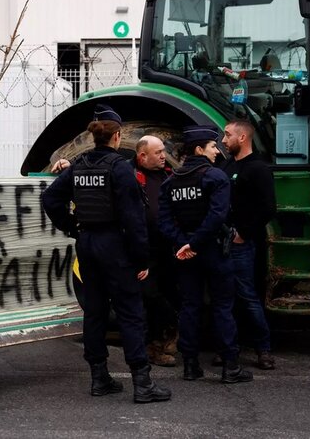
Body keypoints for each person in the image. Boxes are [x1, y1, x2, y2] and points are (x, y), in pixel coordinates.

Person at [42, 104, 172, 403]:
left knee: (95, 313)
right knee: (130, 313)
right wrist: (141, 259)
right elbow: (133, 219)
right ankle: (143, 383)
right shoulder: (120, 168)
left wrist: (73, 227)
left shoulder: (79, 165)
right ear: (117, 137)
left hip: (87, 245)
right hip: (115, 247)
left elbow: (51, 198)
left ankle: (99, 378)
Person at [158, 125, 253, 384]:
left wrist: (184, 244)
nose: (216, 151)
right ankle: (230, 367)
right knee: (223, 307)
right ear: (199, 149)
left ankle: (190, 365)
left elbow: (164, 220)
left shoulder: (171, 182)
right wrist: (196, 244)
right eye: (212, 146)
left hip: (185, 254)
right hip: (212, 250)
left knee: (190, 307)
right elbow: (217, 216)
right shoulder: (216, 178)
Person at [220, 119, 277, 370]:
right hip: (223, 242)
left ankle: (263, 349)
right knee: (225, 298)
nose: (223, 140)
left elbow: (268, 208)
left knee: (247, 296)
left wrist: (244, 233)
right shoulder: (227, 165)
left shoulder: (258, 169)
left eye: (227, 135)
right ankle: (229, 349)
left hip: (241, 244)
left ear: (242, 138)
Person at [131, 136, 179, 367]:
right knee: (150, 298)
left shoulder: (169, 175)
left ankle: (165, 340)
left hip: (167, 249)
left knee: (170, 293)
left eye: (163, 151)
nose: (163, 155)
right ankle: (151, 348)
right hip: (144, 250)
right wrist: (67, 165)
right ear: (142, 156)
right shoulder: (129, 175)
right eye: (158, 152)